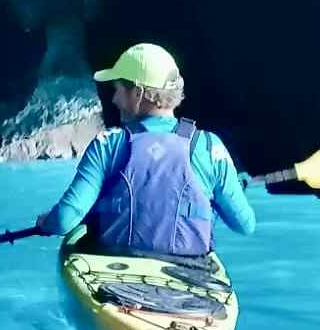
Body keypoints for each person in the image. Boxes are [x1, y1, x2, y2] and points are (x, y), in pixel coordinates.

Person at [36, 43, 255, 256]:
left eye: (118, 89)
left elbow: (65, 220)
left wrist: (47, 223)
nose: (114, 99)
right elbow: (245, 225)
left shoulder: (108, 144)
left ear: (138, 93)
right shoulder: (209, 147)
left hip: (116, 267)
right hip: (189, 271)